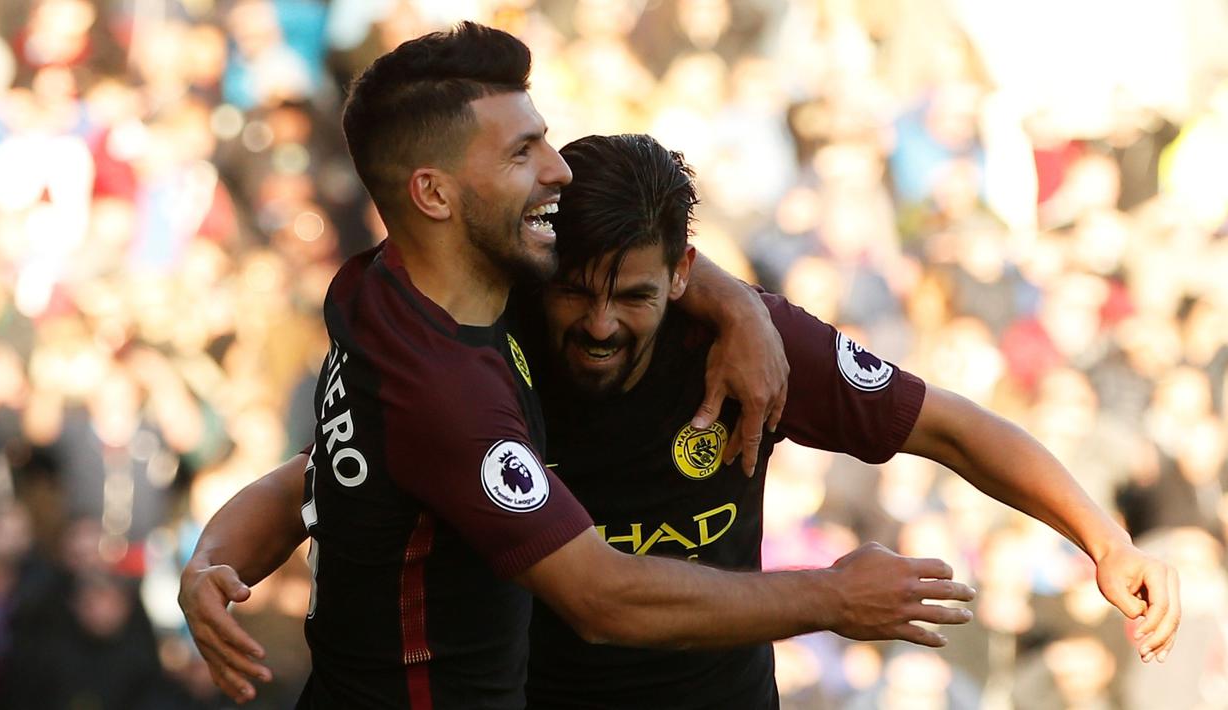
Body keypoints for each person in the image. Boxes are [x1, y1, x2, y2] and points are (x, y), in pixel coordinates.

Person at [182, 131, 1180, 708]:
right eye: (578, 292)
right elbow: (321, 474)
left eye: (635, 294)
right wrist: (216, 555)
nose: (601, 322)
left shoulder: (751, 341)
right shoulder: (490, 359)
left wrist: (1105, 537)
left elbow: (951, 426)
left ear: (684, 273)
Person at [182, 23, 980, 709]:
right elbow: (602, 596)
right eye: (525, 152)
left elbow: (315, 474)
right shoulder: (448, 394)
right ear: (435, 194)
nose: (555, 169)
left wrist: (212, 557)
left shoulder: (388, 289)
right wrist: (831, 594)